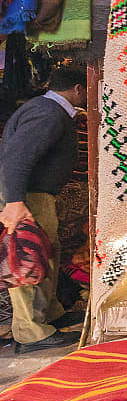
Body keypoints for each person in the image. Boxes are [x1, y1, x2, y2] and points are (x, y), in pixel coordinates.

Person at [0, 65, 88, 354]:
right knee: (27, 259)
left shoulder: (47, 110)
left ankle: (49, 314)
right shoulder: (48, 113)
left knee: (47, 253)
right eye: (86, 90)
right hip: (28, 197)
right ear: (78, 89)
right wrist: (14, 201)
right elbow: (16, 156)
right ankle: (29, 332)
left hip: (35, 195)